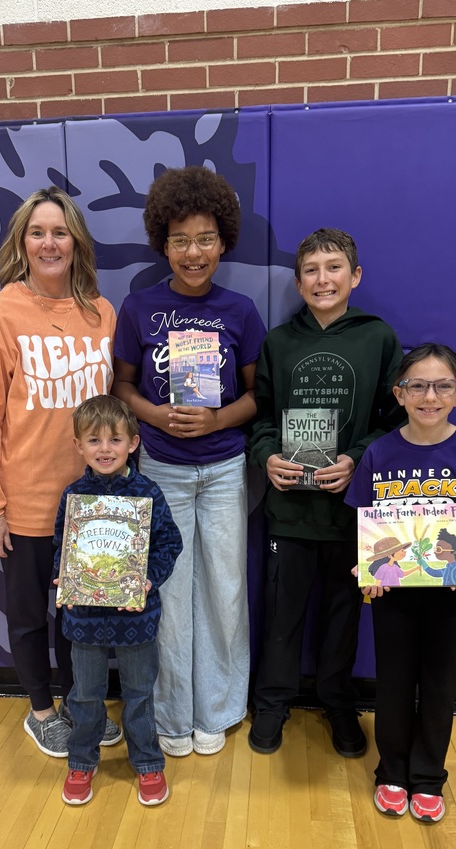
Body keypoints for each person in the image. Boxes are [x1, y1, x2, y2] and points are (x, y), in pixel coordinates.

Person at [112, 166, 266, 757]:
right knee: (170, 594)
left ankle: (218, 710)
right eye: (180, 240)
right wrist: (155, 415)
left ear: (223, 242)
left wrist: (217, 420)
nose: (193, 252)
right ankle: (172, 716)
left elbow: (257, 396)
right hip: (162, 468)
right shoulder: (139, 307)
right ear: (164, 243)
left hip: (225, 469)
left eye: (205, 239)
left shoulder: (240, 310)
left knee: (225, 591)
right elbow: (122, 387)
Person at [0, 185, 121, 758]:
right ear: (22, 243)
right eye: (38, 233)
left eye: (60, 232)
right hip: (27, 500)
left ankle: (82, 704)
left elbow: (114, 412)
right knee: (31, 617)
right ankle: (40, 711)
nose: (49, 243)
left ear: (77, 242)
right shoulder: (1, 312)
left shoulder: (101, 313)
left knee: (80, 619)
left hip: (89, 502)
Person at [248, 227, 406, 756]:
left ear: (354, 276)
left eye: (334, 267)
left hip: (349, 510)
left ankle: (337, 701)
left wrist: (356, 459)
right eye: (311, 271)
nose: (323, 279)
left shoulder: (378, 338)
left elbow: (395, 420)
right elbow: (260, 417)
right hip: (289, 508)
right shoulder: (278, 342)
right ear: (298, 282)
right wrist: (267, 456)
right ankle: (272, 701)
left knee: (343, 615)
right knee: (282, 615)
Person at [345, 344, 456, 822]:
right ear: (399, 393)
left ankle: (427, 777)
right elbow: (365, 522)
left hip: (454, 592)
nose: (429, 396)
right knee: (394, 682)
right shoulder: (380, 453)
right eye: (417, 385)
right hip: (393, 591)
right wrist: (367, 566)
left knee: (440, 684)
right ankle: (392, 773)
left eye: (442, 386)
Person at [54, 396, 182, 806]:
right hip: (84, 618)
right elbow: (61, 545)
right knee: (85, 695)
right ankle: (81, 761)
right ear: (78, 446)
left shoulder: (148, 493)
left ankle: (147, 762)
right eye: (94, 440)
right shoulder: (74, 496)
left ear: (133, 443)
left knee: (140, 695)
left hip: (136, 617)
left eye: (115, 439)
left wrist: (148, 580)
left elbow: (170, 544)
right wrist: (64, 576)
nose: (105, 449)